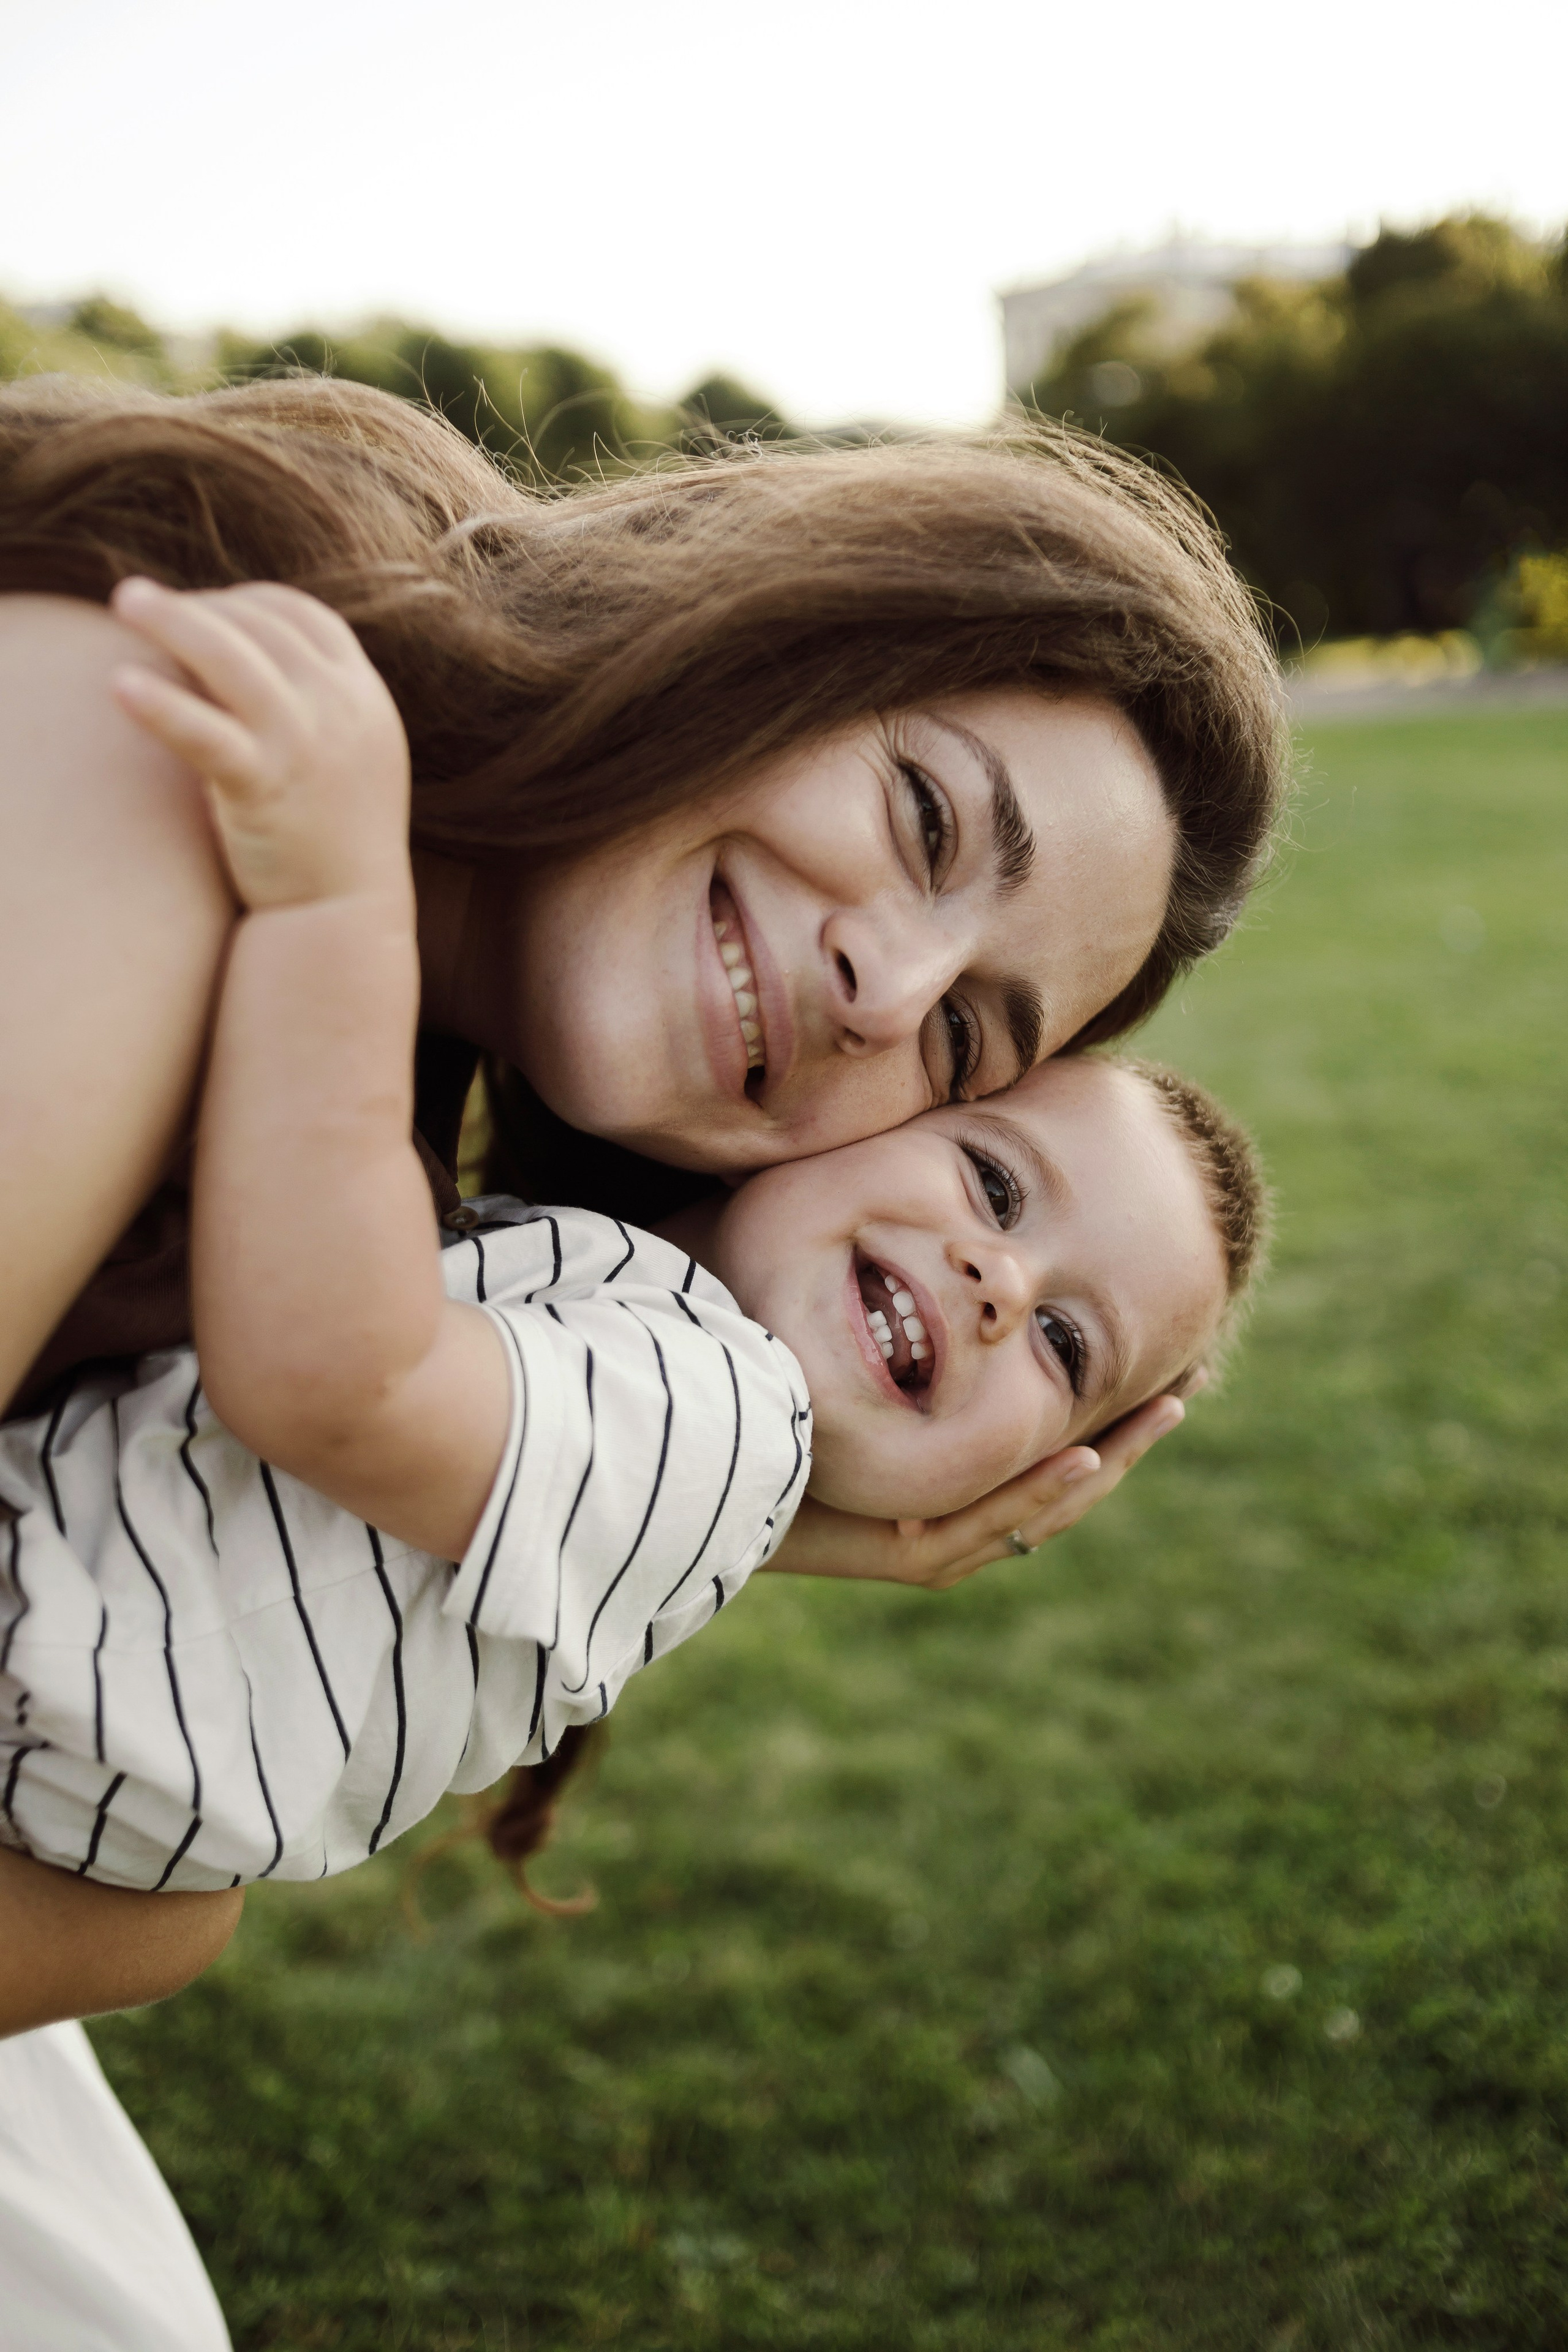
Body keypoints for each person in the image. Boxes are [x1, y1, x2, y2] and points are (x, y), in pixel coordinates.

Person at [0, 574, 1266, 1902]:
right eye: (994, 1188)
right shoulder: (669, 1394)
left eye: (1065, 1341)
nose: (999, 1283)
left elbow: (335, 1376)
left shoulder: (721, 1413)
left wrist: (335, 900)